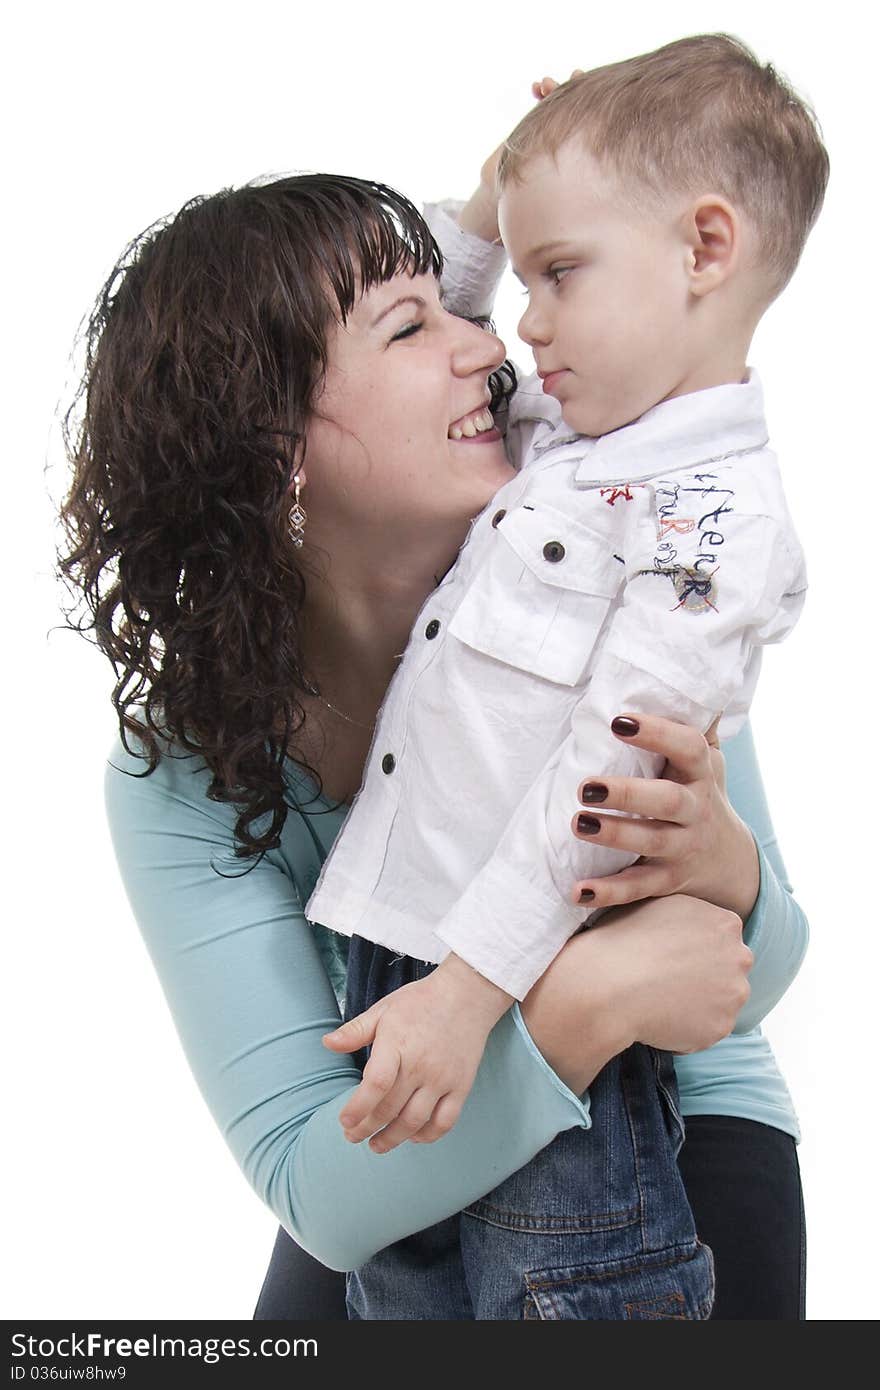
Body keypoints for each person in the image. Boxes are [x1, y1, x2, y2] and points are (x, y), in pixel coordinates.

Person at [59, 170, 806, 1319]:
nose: (490, 348)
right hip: (406, 1141)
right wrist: (587, 997)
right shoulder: (182, 774)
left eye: (462, 309)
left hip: (677, 1123)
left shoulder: (608, 584)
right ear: (273, 452)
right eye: (412, 326)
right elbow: (319, 1185)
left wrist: (731, 874)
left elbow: (740, 977)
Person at [307, 41, 828, 1195]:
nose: (516, 331)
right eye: (526, 280)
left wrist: (465, 991)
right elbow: (357, 354)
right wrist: (498, 199)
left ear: (703, 248)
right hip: (425, 989)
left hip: (545, 1030)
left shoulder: (709, 526)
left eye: (560, 273)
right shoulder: (572, 430)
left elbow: (604, 789)